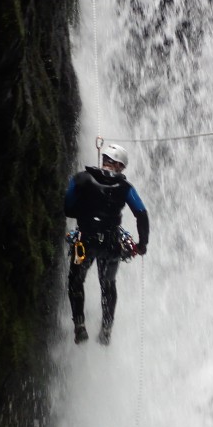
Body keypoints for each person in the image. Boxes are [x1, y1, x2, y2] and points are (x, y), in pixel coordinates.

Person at [64, 143, 149, 345]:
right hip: (111, 246)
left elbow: (67, 207)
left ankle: (79, 325)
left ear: (104, 160)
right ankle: (106, 330)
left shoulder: (81, 179)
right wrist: (142, 244)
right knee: (108, 284)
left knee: (76, 280)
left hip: (84, 242)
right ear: (120, 166)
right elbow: (141, 214)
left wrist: (85, 213)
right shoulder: (126, 188)